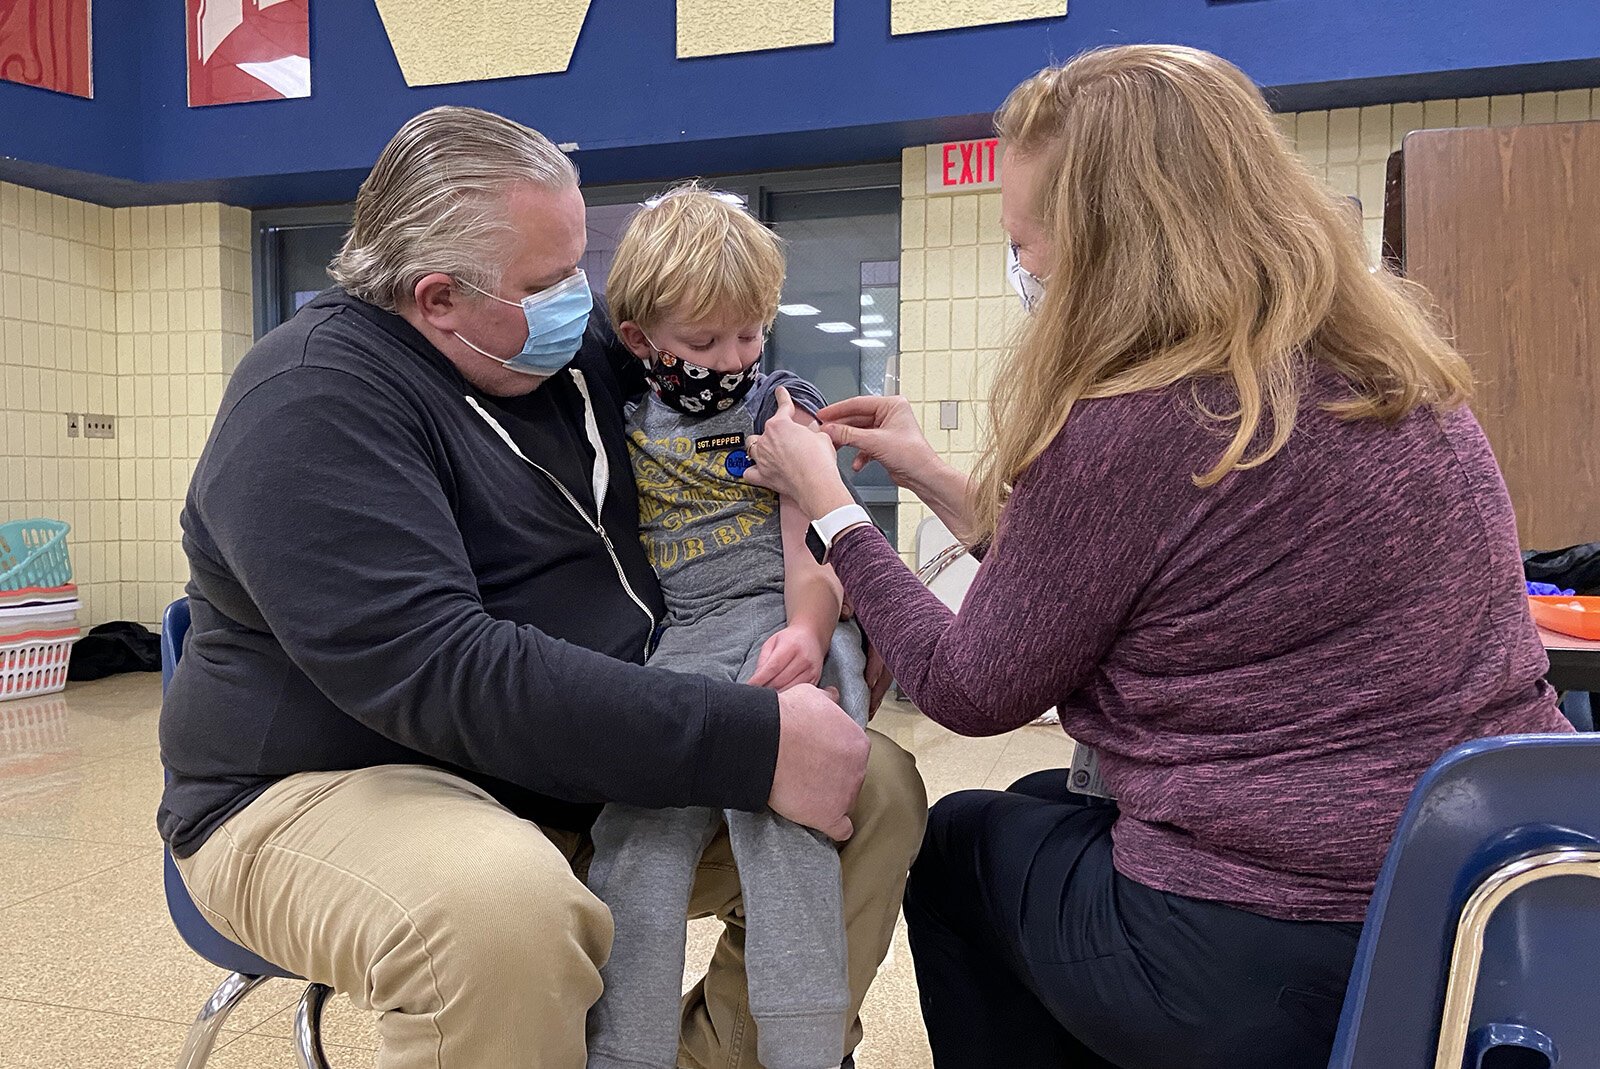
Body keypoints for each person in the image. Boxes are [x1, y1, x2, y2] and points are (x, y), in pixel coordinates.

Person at [742, 44, 1571, 1069]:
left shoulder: (1140, 418)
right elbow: (1130, 575)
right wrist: (925, 474)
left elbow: (971, 685)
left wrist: (831, 509)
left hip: (1277, 939)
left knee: (956, 841)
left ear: (1111, 247)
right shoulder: (1392, 376)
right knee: (1050, 805)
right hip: (1476, 891)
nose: (1026, 270)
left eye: (1028, 242)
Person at [158, 105, 927, 1069]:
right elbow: (443, 671)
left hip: (562, 763)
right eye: (549, 280)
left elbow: (729, 394)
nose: (582, 301)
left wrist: (839, 558)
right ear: (438, 297)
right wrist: (749, 739)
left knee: (875, 787)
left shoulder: (556, 359)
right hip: (323, 783)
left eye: (579, 268)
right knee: (498, 910)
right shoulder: (311, 401)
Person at [584, 184, 867, 1069]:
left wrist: (812, 634)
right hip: (684, 638)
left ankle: (806, 1048)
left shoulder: (780, 404)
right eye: (703, 343)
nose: (734, 356)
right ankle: (624, 1050)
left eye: (749, 333)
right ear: (642, 342)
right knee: (638, 828)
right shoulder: (624, 422)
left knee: (783, 827)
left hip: (786, 617)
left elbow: (815, 548)